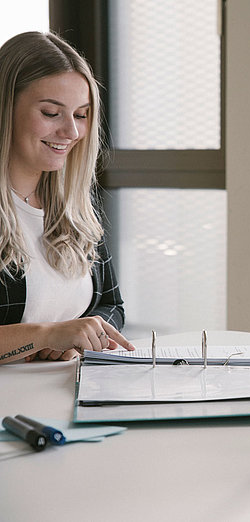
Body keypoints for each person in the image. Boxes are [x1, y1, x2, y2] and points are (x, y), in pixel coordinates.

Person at [0, 31, 134, 364]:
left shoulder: (74, 206)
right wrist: (44, 336)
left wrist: (79, 338)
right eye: (51, 113)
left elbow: (111, 305)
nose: (71, 132)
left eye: (81, 114)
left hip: (65, 399)